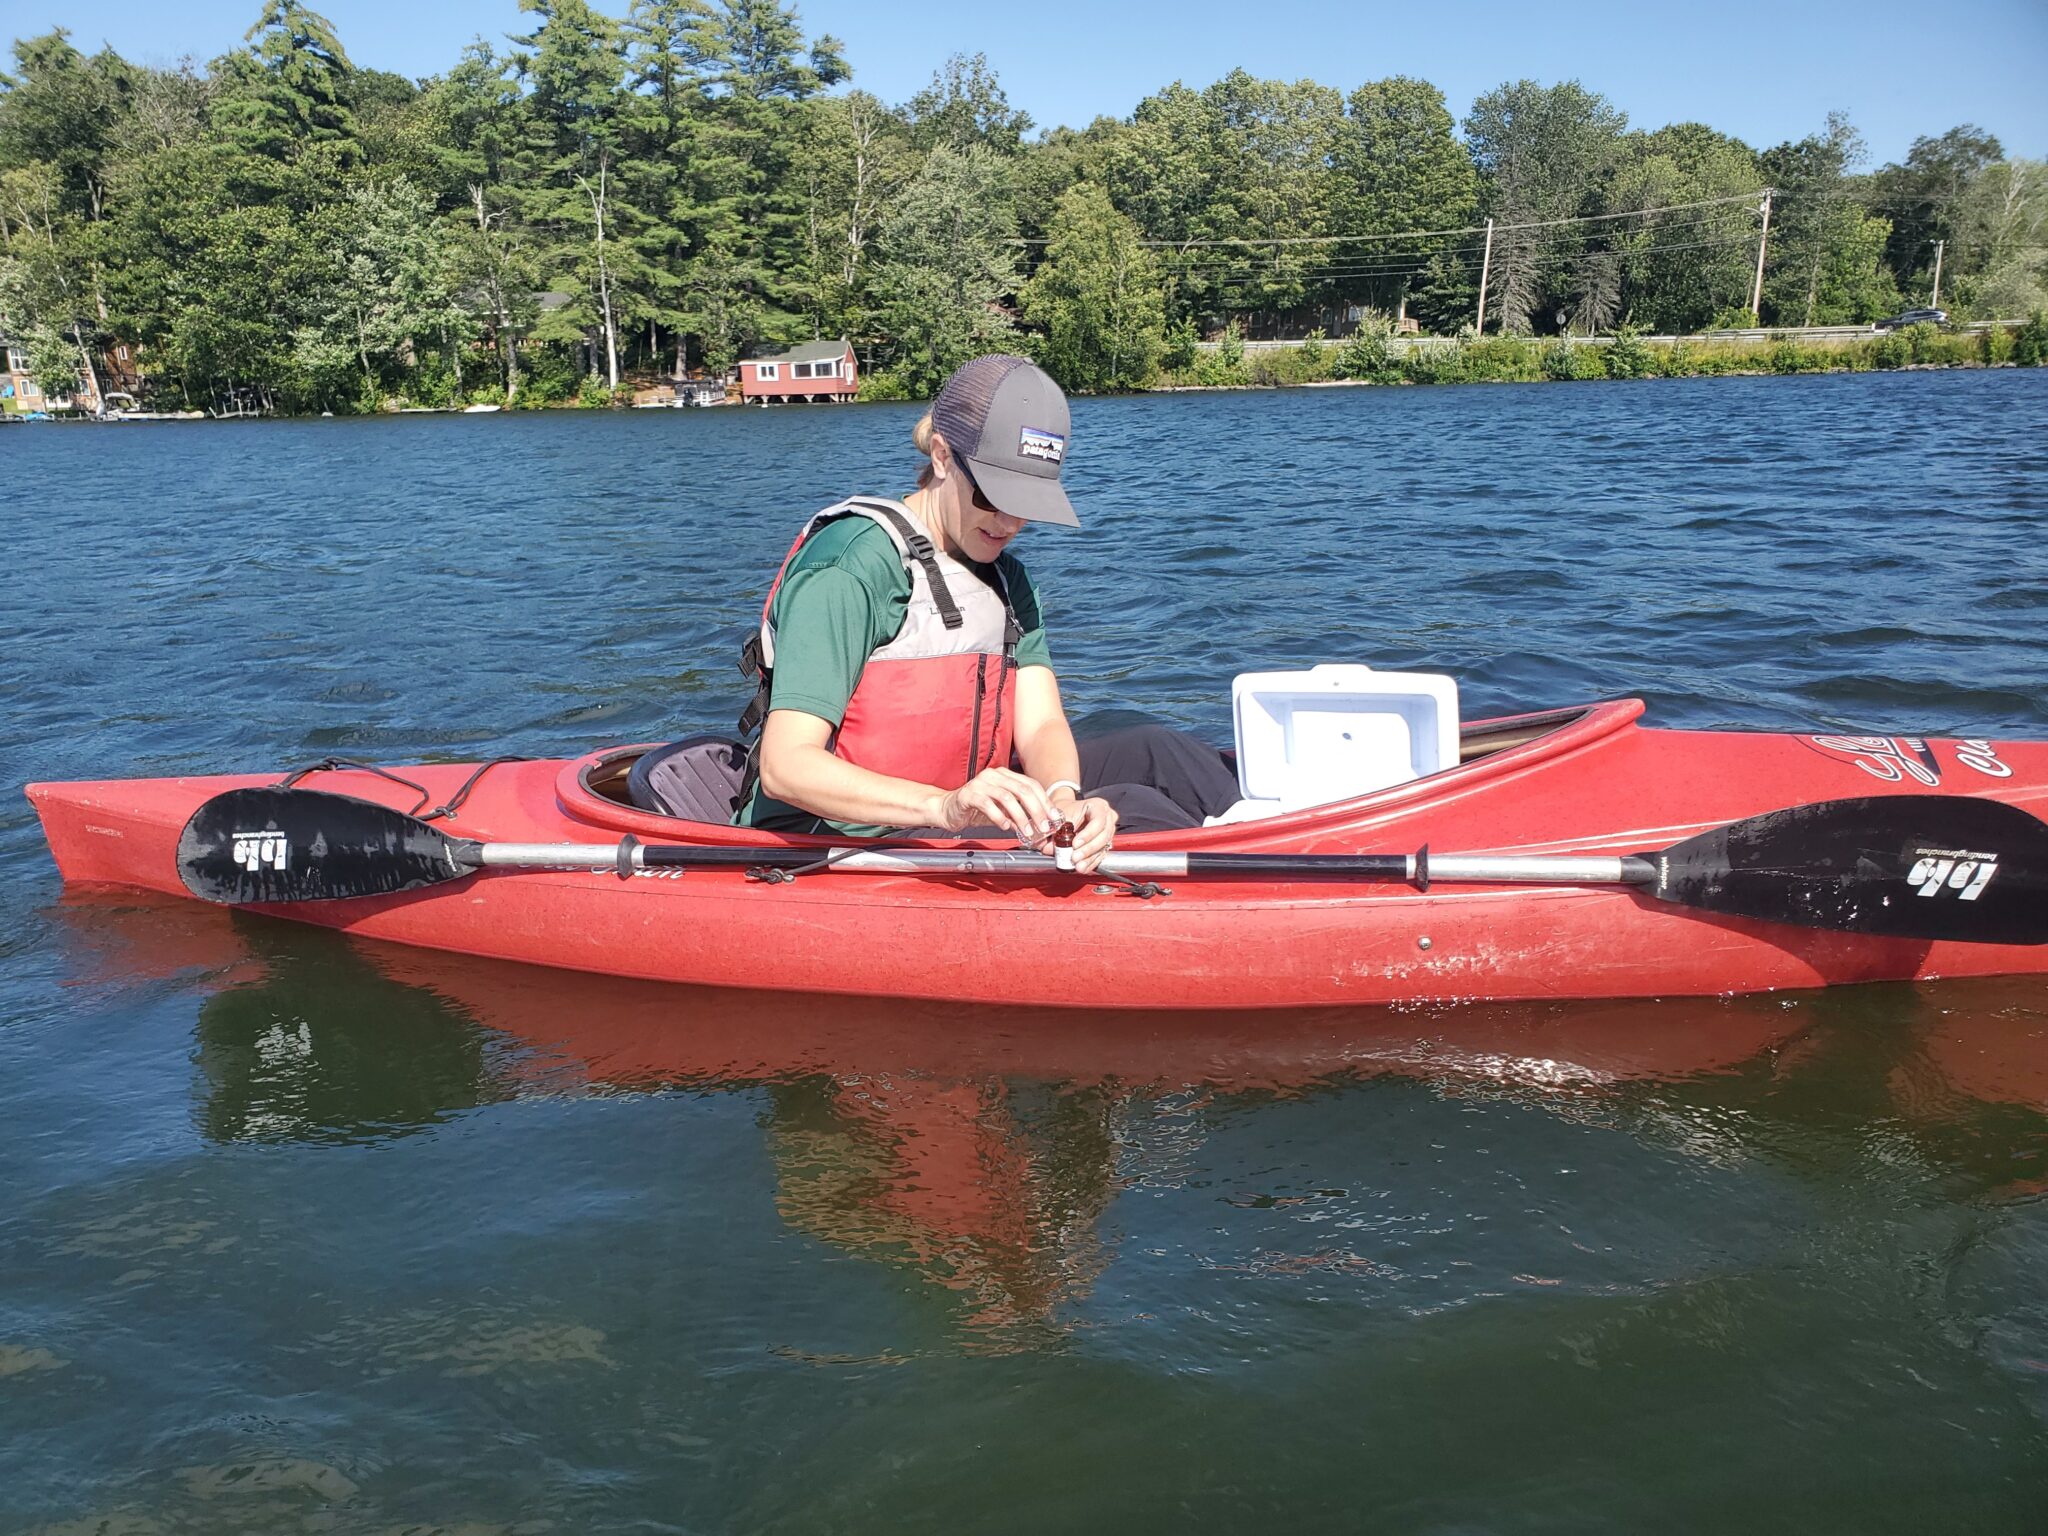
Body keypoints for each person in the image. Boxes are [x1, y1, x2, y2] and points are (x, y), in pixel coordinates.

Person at [735, 354, 1240, 872]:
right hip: (841, 837)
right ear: (941, 456)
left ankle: (1285, 842)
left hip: (963, 801)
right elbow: (785, 767)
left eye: (1027, 502)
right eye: (994, 495)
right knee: (1139, 811)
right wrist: (944, 806)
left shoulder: (1004, 575)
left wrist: (1063, 799)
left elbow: (1041, 723)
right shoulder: (850, 566)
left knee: (1162, 752)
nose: (1009, 521)